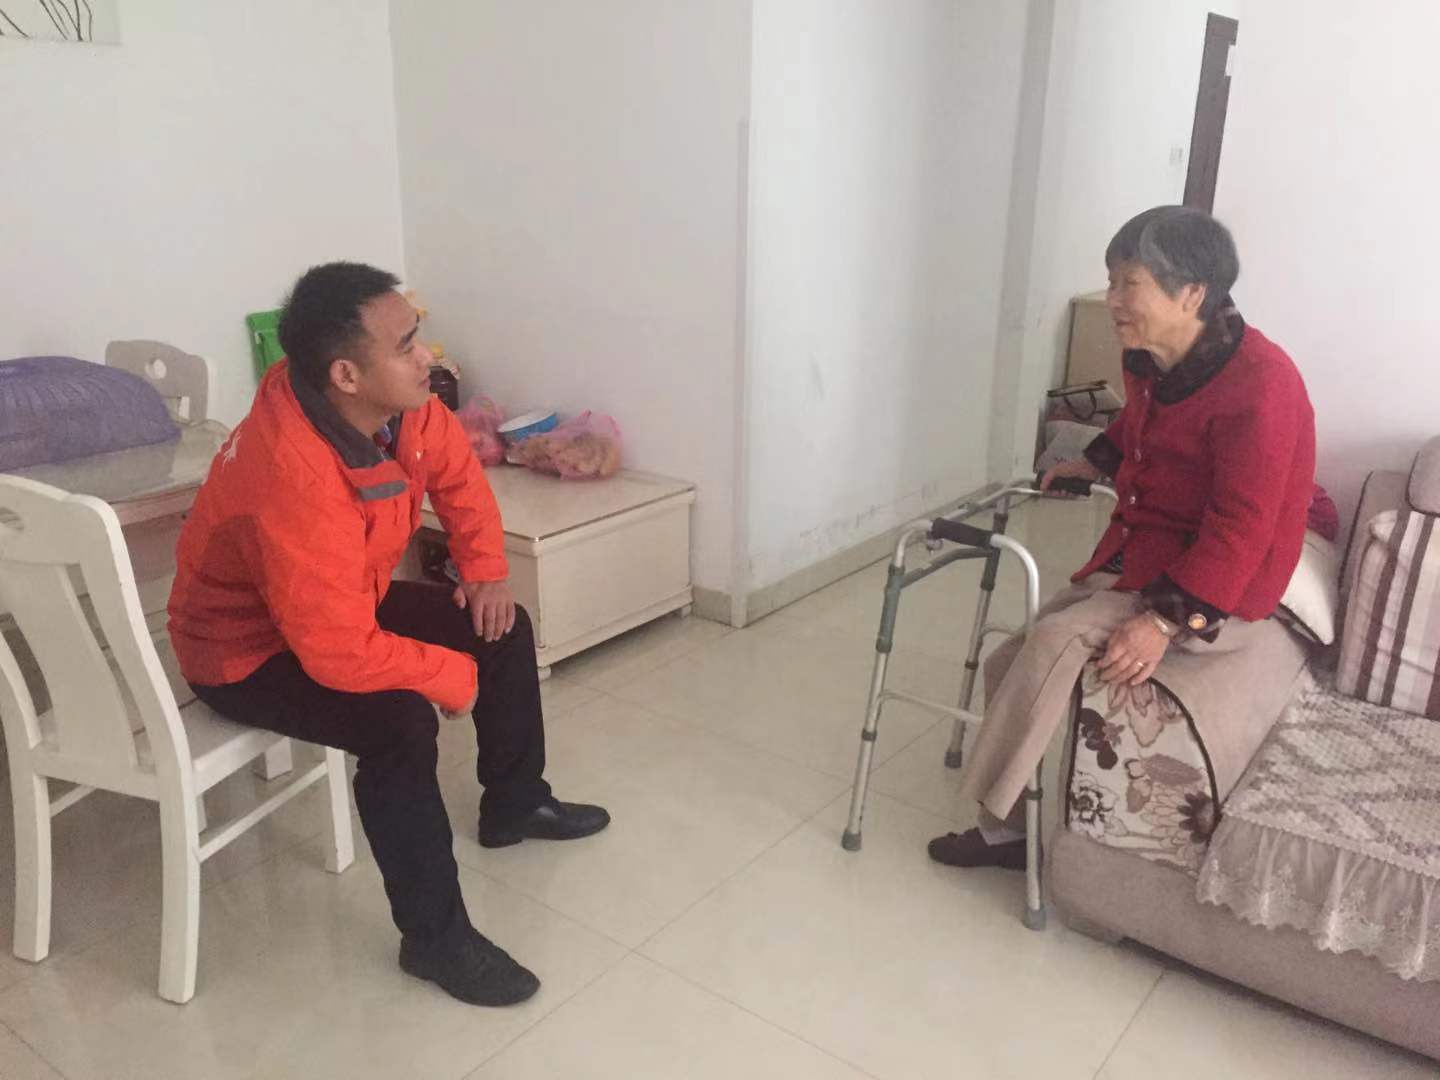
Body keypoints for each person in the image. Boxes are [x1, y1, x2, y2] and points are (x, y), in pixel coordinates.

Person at [168, 262, 610, 1006]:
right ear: (345, 374)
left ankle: (514, 802)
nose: (426, 357)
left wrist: (485, 571)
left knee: (500, 626)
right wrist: (449, 679)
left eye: (418, 336)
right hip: (244, 652)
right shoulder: (291, 474)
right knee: (400, 723)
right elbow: (336, 651)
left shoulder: (402, 407)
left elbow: (459, 478)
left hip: (339, 604)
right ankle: (434, 941)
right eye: (406, 345)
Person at [929, 206, 1316, 869]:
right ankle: (1021, 817)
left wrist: (1162, 624)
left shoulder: (1263, 384)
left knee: (1051, 642)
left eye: (1127, 283)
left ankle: (1003, 832)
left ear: (1191, 292)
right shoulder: (1152, 358)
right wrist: (1092, 463)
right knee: (1007, 659)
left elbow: (1241, 528)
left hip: (1215, 590)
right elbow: (1140, 423)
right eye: (1111, 282)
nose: (1112, 300)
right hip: (1145, 557)